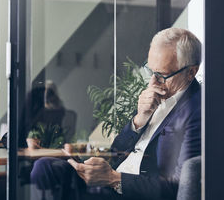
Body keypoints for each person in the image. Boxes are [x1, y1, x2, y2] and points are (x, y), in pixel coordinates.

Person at [30, 28, 202, 200]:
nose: (153, 82)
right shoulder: (155, 95)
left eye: (162, 75)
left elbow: (181, 187)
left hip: (131, 191)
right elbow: (117, 151)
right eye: (150, 71)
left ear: (191, 72)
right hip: (110, 183)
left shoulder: (197, 110)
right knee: (44, 167)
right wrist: (139, 120)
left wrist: (113, 179)